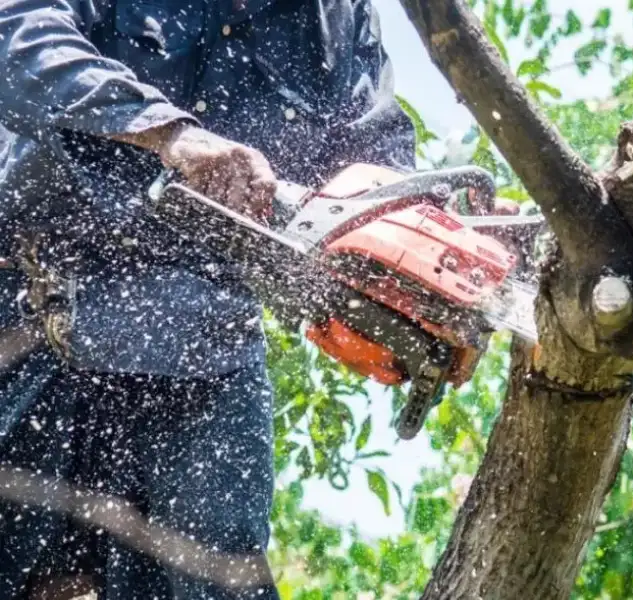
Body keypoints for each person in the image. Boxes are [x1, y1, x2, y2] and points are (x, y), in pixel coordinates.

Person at [0, 1, 415, 598]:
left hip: (205, 350)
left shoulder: (335, 17)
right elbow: (17, 35)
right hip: (33, 307)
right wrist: (168, 133)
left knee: (218, 580)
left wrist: (426, 251)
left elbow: (376, 169)